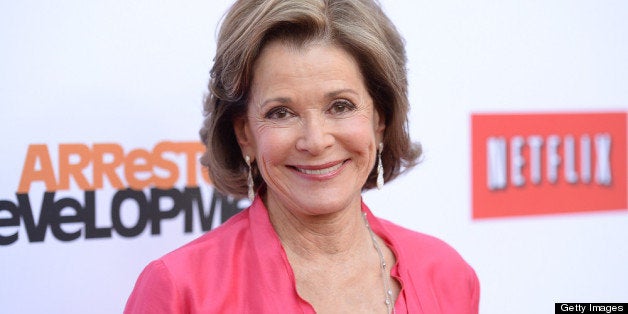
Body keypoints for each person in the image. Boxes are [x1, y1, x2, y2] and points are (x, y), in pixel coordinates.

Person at [125, 0, 479, 313]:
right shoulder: (181, 290)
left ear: (380, 120)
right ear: (244, 133)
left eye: (340, 106)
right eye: (281, 113)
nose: (315, 140)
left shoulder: (446, 274)